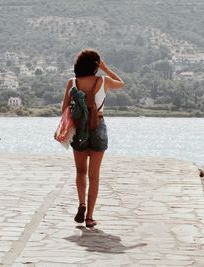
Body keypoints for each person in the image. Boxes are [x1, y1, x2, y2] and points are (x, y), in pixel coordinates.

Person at [61, 49, 124, 228]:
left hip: (79, 128)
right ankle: (89, 217)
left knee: (81, 171)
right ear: (96, 65)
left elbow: (65, 109)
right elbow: (122, 83)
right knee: (94, 176)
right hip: (98, 126)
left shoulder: (72, 83)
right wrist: (105, 68)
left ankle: (81, 204)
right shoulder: (103, 80)